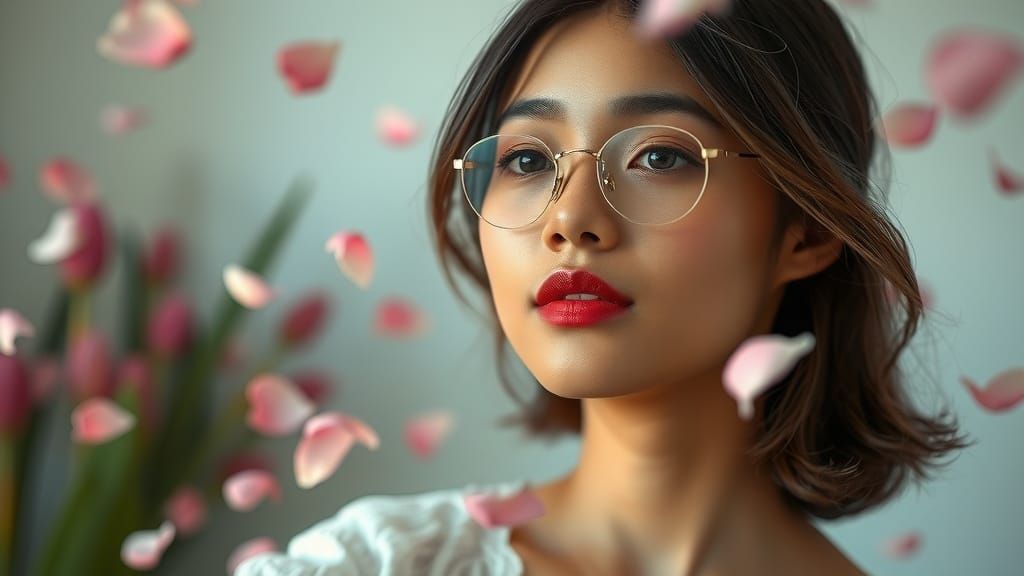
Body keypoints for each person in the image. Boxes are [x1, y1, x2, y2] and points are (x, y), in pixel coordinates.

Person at [236, 0, 972, 574]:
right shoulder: (376, 567)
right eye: (526, 161)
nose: (570, 220)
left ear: (805, 230)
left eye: (657, 156)